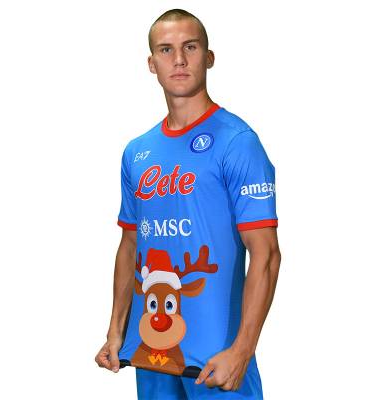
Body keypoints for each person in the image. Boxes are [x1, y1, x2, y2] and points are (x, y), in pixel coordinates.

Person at [95, 8, 282, 400]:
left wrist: (242, 351)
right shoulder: (137, 152)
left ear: (208, 57)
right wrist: (115, 331)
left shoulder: (238, 143)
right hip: (151, 354)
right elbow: (130, 246)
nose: (178, 59)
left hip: (218, 362)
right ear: (151, 63)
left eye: (190, 47)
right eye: (166, 49)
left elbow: (266, 255)